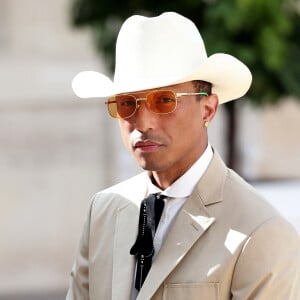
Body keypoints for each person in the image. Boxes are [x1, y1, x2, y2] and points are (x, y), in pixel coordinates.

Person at [67, 12, 300, 300]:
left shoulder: (262, 233)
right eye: (127, 103)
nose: (143, 122)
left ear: (208, 109)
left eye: (164, 100)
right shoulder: (103, 211)